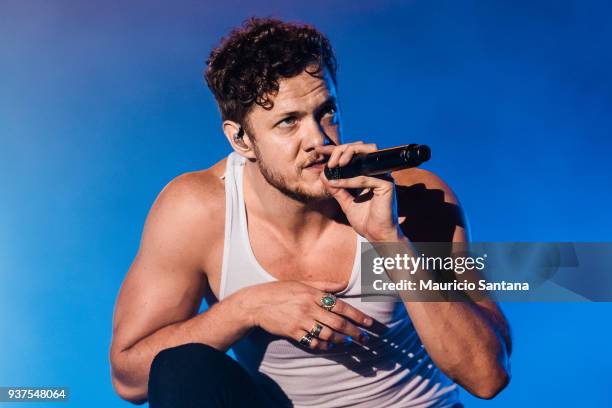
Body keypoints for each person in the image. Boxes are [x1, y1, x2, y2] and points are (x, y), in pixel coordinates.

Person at [109, 17, 511, 407]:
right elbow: (129, 377)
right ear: (241, 139)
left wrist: (389, 240)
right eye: (288, 122)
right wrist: (247, 308)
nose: (317, 139)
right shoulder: (198, 210)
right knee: (184, 367)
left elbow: (487, 375)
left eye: (327, 113)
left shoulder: (414, 198)